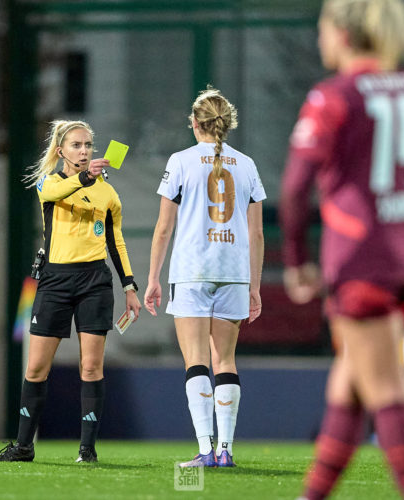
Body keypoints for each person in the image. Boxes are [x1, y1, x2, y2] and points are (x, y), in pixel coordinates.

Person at [279, 1, 404, 498]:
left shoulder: (334, 96)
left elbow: (293, 189)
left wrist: (296, 261)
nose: (320, 38)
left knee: (387, 388)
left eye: (324, 29)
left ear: (345, 35)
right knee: (348, 386)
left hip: (362, 261)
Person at [0, 120, 141, 464]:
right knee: (36, 368)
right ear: (61, 151)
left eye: (88, 144)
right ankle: (23, 447)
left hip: (94, 282)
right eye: (76, 145)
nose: (84, 150)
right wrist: (87, 179)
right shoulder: (51, 182)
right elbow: (54, 194)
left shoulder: (107, 192)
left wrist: (129, 285)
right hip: (55, 280)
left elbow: (114, 241)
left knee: (91, 367)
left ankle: (87, 450)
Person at [144, 87, 266, 468]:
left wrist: (153, 279)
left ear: (195, 124)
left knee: (196, 360)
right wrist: (255, 287)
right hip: (233, 274)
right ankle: (226, 450)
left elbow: (164, 228)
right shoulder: (246, 164)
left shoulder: (181, 161)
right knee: (225, 359)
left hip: (193, 271)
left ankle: (205, 450)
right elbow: (257, 234)